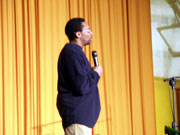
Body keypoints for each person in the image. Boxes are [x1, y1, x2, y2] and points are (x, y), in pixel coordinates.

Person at [56, 18, 103, 135]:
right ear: (78, 34)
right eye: (88, 30)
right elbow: (81, 86)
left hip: (82, 118)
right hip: (77, 117)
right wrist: (96, 74)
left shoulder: (76, 52)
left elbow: (80, 80)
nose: (91, 33)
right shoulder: (72, 51)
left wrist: (90, 73)